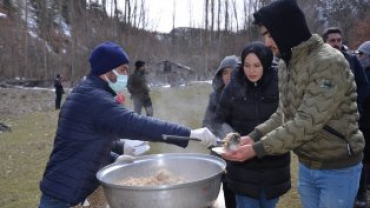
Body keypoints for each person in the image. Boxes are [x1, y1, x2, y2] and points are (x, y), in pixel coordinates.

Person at [38, 41, 218, 208]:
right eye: (122, 70)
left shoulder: (88, 92)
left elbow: (86, 141)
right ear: (106, 70)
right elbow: (137, 124)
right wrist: (189, 133)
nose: (125, 75)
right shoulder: (95, 99)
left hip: (74, 188)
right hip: (63, 196)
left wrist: (117, 152)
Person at [221, 1, 365, 208]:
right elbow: (283, 113)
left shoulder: (328, 62)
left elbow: (307, 122)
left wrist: (256, 149)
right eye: (264, 36)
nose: (267, 43)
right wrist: (252, 137)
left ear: (287, 29)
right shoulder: (286, 64)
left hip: (338, 168)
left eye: (269, 34)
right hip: (308, 165)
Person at [215, 42, 290, 208]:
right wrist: (231, 139)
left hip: (273, 163)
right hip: (243, 168)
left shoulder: (280, 84)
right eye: (247, 65)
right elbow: (219, 121)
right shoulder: (233, 87)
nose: (251, 70)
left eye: (257, 65)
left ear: (266, 63)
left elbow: (287, 119)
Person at [203, 55, 239, 208]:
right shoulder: (215, 96)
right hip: (221, 153)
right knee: (227, 192)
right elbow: (207, 122)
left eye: (233, 72)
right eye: (225, 72)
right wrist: (217, 135)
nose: (228, 76)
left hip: (243, 154)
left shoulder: (249, 95)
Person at [322, 27, 369, 113]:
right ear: (325, 43)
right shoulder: (318, 62)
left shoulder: (352, 60)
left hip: (349, 113)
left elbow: (364, 85)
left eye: (339, 40)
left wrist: (353, 101)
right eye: (332, 40)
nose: (336, 43)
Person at [356, 40, 370, 208]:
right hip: (361, 122)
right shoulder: (360, 71)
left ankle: (361, 194)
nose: (359, 57)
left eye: (361, 54)